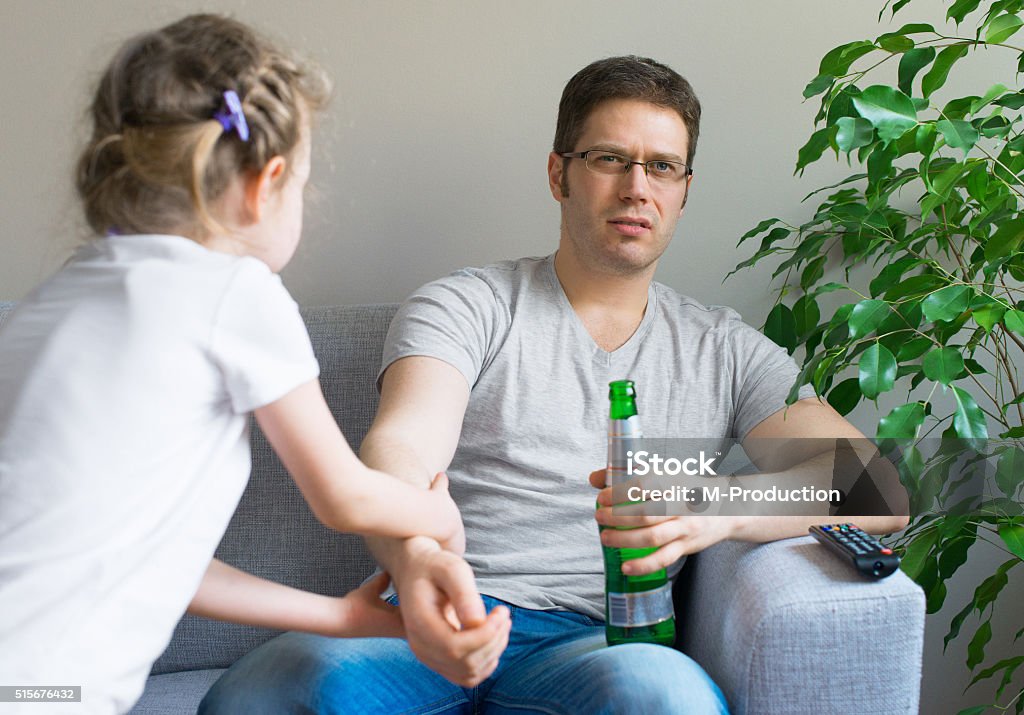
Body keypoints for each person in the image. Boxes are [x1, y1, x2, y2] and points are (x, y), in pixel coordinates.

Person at [200, 55, 908, 713]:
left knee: (666, 698)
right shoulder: (467, 305)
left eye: (662, 166)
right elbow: (402, 451)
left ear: (684, 190)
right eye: (610, 159)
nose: (637, 186)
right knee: (269, 690)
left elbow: (874, 488)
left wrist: (713, 507)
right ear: (558, 172)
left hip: (593, 645)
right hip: (430, 622)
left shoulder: (726, 349)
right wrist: (414, 557)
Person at [0, 15, 468, 715]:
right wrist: (432, 507)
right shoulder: (234, 291)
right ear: (265, 182)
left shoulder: (59, 295)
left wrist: (340, 617)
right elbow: (342, 495)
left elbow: (161, 560)